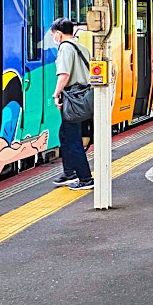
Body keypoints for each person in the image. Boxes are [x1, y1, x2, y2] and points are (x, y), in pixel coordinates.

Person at [50, 18, 93, 190]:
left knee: (72, 138)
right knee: (66, 135)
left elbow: (64, 75)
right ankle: (69, 173)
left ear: (59, 34)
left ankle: (85, 178)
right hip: (83, 96)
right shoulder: (80, 46)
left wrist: (56, 94)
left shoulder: (66, 48)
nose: (53, 38)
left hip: (73, 97)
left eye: (53, 34)